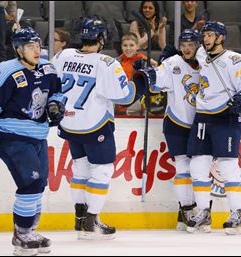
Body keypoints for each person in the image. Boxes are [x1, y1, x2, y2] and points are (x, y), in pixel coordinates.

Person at [0, 27, 67, 256]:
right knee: (30, 183)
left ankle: (30, 230)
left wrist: (56, 105)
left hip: (39, 137)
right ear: (18, 49)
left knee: (40, 183)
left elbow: (58, 92)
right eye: (30, 46)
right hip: (13, 138)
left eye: (37, 45)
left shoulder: (48, 68)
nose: (36, 50)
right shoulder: (6, 72)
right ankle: (21, 234)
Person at [52, 18, 147, 240]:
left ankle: (80, 220)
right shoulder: (106, 63)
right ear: (101, 38)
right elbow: (125, 96)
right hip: (94, 126)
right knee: (102, 170)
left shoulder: (64, 55)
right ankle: (91, 221)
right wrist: (142, 81)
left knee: (80, 169)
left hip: (69, 123)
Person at [186, 21, 241, 234]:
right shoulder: (201, 56)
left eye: (210, 35)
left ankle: (237, 214)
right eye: (204, 35)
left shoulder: (235, 59)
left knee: (228, 166)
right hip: (203, 118)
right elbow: (184, 50)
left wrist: (240, 100)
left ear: (221, 37)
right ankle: (204, 212)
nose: (205, 39)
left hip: (226, 117)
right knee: (197, 166)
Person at [134, 29, 201, 230]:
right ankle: (187, 209)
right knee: (182, 166)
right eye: (184, 45)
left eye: (191, 45)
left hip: (200, 124)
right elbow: (155, 84)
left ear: (198, 45)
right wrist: (146, 73)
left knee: (198, 168)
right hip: (176, 123)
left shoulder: (207, 64)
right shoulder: (172, 63)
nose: (187, 49)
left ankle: (186, 214)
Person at [116, 32, 157, 115]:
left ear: (137, 46)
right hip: (119, 98)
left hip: (136, 101)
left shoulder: (141, 59)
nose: (128, 48)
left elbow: (155, 64)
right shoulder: (118, 60)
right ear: (121, 46)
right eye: (125, 45)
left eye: (131, 45)